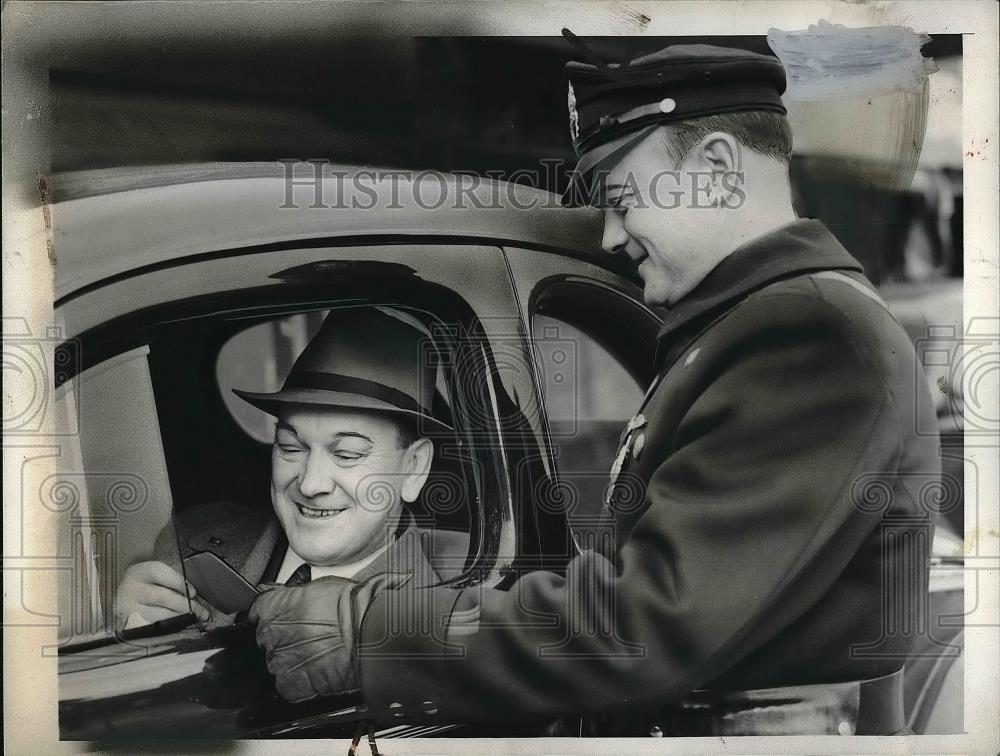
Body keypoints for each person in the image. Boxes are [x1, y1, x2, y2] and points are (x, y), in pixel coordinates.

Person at [247, 40, 940, 735]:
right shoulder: (747, 329)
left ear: (718, 169)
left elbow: (651, 623)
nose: (609, 235)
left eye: (618, 197)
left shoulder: (808, 334)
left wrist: (369, 631)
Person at [115, 308, 464, 647]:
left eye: (346, 455)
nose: (311, 484)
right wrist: (119, 633)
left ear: (414, 467)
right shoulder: (186, 540)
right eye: (290, 446)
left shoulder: (440, 621)